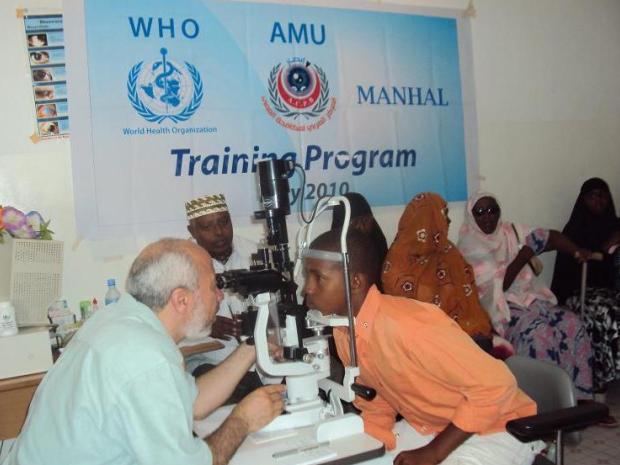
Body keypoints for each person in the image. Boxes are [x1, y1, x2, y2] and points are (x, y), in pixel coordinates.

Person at [3, 238, 285, 465]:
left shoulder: (118, 319)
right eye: (214, 287)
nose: (221, 296)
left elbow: (194, 403)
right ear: (181, 300)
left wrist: (252, 348)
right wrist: (243, 420)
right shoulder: (146, 358)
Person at [303, 229, 542, 465]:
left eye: (318, 278)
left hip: (498, 428)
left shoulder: (410, 326)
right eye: (307, 277)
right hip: (433, 425)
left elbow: (497, 386)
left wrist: (434, 453)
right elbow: (375, 399)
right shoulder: (344, 331)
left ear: (355, 282)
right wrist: (367, 447)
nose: (308, 289)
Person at [457, 192, 594, 399]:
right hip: (500, 307)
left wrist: (576, 251)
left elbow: (550, 237)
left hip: (529, 298)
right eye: (480, 212)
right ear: (471, 216)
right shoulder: (469, 247)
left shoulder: (510, 231)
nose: (488, 216)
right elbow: (499, 286)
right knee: (539, 334)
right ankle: (547, 403)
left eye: (493, 210)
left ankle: (580, 398)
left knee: (573, 324)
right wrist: (523, 256)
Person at [382, 192, 513, 358]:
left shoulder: (447, 250)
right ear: (425, 221)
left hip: (464, 328)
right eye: (443, 215)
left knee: (495, 350)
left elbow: (469, 295)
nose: (448, 221)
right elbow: (408, 315)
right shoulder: (398, 265)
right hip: (425, 341)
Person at [185, 193, 277, 401]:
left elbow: (278, 308)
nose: (219, 232)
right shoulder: (181, 265)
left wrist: (258, 320)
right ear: (192, 231)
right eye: (207, 227)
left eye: (224, 222)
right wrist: (204, 328)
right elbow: (168, 328)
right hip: (211, 362)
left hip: (262, 359)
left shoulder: (255, 253)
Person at [551, 177, 620, 394]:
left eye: (602, 195)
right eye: (592, 196)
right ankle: (599, 374)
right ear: (583, 200)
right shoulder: (574, 229)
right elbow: (572, 268)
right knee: (607, 313)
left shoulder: (615, 224)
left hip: (610, 288)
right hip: (579, 290)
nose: (598, 201)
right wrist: (602, 249)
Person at [330, 192, 389, 273]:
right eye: (356, 222)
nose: (362, 226)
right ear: (342, 225)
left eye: (366, 220)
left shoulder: (378, 243)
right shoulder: (332, 252)